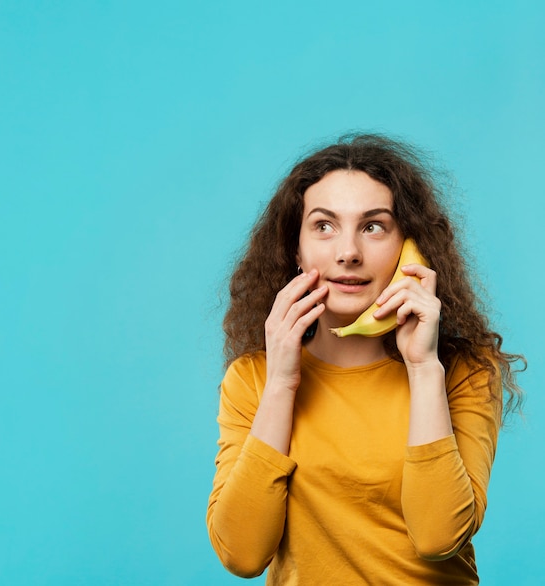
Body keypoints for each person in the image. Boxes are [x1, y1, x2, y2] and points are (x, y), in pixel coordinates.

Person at [206, 133, 524, 585]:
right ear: (296, 249)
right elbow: (241, 554)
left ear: (408, 248)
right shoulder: (253, 379)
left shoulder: (464, 371)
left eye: (373, 226)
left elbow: (438, 537)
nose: (349, 252)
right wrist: (280, 385)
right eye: (324, 225)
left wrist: (422, 368)